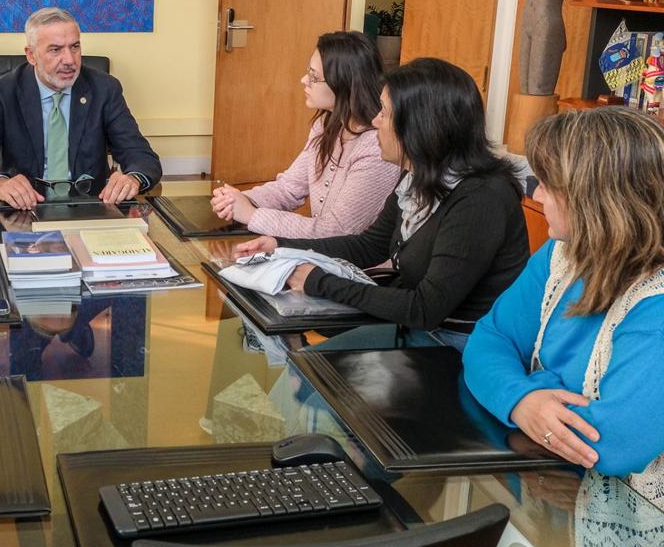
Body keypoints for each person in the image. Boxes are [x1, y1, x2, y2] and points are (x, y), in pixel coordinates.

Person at [234, 58, 528, 350]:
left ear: (419, 126)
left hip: (461, 347)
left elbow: (424, 308)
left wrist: (318, 281)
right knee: (300, 370)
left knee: (305, 376)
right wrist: (281, 246)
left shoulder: (480, 199)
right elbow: (369, 245)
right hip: (420, 330)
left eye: (384, 113)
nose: (375, 122)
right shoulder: (419, 176)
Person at [465, 108, 664, 478]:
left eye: (547, 183)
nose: (537, 195)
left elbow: (609, 445)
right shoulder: (562, 254)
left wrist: (530, 384)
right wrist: (524, 399)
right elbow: (489, 338)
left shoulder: (657, 308)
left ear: (596, 199)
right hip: (550, 480)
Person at [0, 6, 162, 209]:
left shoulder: (104, 88)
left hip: (91, 205)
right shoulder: (3, 92)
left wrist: (133, 179)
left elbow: (142, 157)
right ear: (31, 55)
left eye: (75, 47)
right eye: (55, 49)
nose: (70, 60)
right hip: (26, 207)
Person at [210, 31, 400, 237]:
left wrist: (252, 215)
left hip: (357, 265)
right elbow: (288, 189)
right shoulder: (325, 125)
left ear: (344, 84)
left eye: (313, 77)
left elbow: (336, 230)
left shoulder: (376, 146)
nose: (303, 80)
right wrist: (237, 200)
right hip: (322, 254)